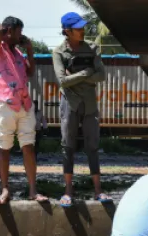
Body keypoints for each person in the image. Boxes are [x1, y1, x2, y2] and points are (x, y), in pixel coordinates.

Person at [53, 11, 109, 206]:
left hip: (90, 104)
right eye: (78, 28)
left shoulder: (93, 48)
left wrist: (76, 77)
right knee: (67, 146)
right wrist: (87, 73)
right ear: (67, 31)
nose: (83, 30)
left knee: (92, 146)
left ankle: (98, 191)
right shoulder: (59, 52)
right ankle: (68, 191)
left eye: (82, 27)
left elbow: (101, 75)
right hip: (69, 104)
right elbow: (62, 81)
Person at [0, 16, 45, 204]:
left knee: (28, 147)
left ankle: (33, 191)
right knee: (4, 147)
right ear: (10, 31)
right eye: (19, 31)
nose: (22, 35)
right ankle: (4, 190)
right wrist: (6, 31)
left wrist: (29, 50)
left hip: (24, 104)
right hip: (4, 104)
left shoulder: (18, 53)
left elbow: (29, 72)